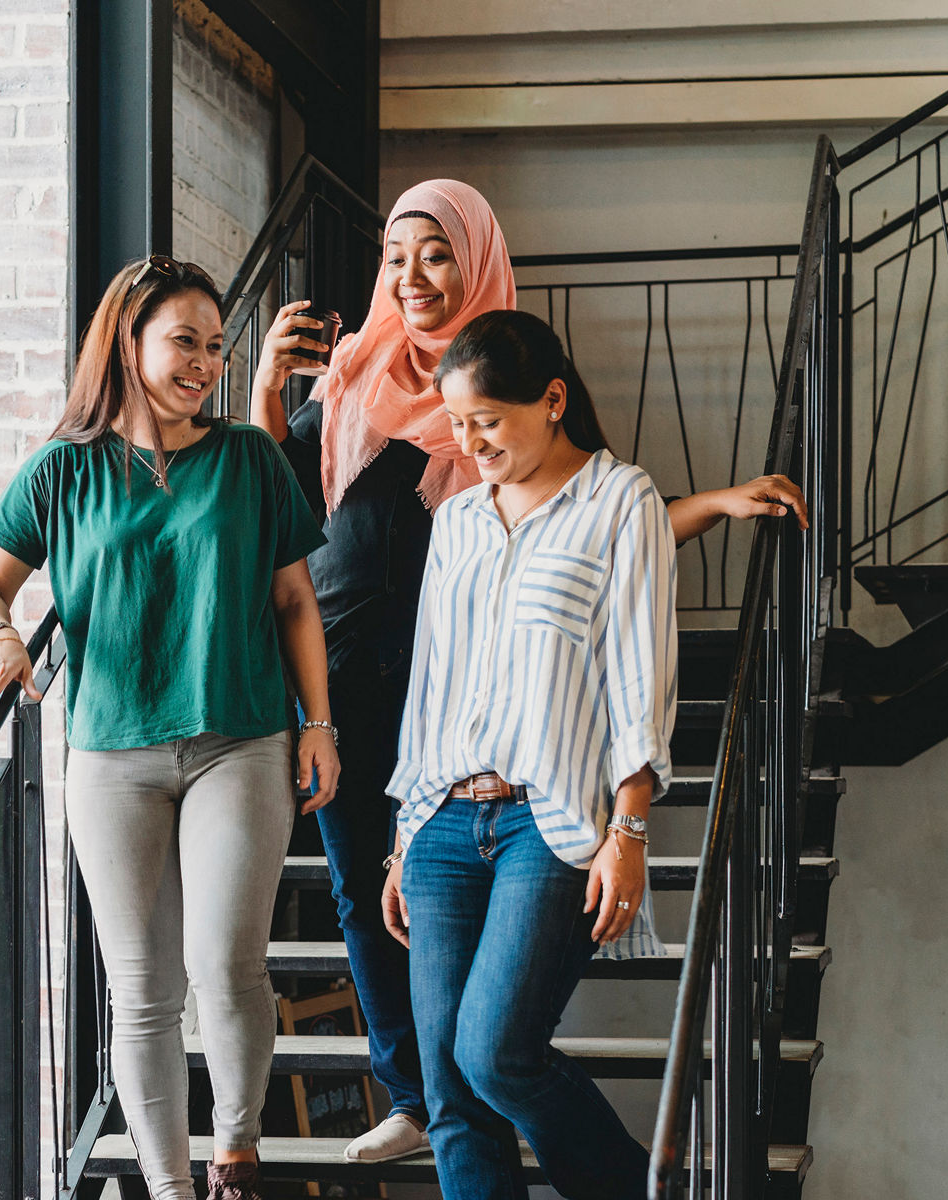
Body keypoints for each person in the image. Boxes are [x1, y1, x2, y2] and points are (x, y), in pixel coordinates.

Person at [247, 179, 808, 1164]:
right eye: (395, 255)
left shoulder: (493, 381)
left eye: (435, 252)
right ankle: (414, 1093)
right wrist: (263, 393)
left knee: (485, 1030)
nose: (412, 275)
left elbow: (586, 524)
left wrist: (709, 504)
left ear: (473, 258)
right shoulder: (350, 373)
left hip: (463, 698)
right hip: (341, 680)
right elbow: (279, 511)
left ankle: (462, 1092)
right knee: (358, 897)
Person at [0, 255, 339, 1200]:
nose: (206, 363)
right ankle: (171, 1189)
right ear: (127, 343)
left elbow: (296, 598)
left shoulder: (251, 458)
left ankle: (237, 1153)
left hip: (240, 736)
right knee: (142, 991)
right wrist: (1, 639)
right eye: (185, 342)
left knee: (224, 960)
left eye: (217, 347)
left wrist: (318, 722)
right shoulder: (62, 470)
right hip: (111, 751)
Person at [383, 308, 675, 1199]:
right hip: (440, 819)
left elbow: (638, 673)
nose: (470, 445)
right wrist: (403, 835)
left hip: (548, 821)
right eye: (458, 426)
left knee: (496, 1051)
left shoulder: (623, 501)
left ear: (551, 401)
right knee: (448, 1088)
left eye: (487, 422)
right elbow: (431, 678)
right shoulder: (459, 519)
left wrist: (629, 830)